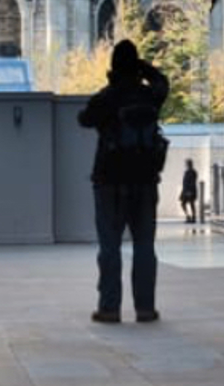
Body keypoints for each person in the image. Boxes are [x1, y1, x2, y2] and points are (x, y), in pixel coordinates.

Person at [78, 40, 168, 324]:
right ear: (137, 64)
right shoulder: (149, 96)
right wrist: (144, 68)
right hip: (145, 179)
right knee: (144, 245)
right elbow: (163, 82)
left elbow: (84, 119)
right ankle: (145, 308)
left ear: (114, 65)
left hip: (110, 180)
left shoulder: (108, 96)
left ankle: (109, 307)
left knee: (110, 247)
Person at [179, 159, 199, 224]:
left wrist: (190, 191)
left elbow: (192, 182)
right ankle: (189, 216)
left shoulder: (193, 172)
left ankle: (193, 217)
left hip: (190, 191)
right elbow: (185, 182)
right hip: (186, 190)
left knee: (191, 203)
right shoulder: (187, 172)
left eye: (187, 164)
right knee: (183, 204)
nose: (186, 165)